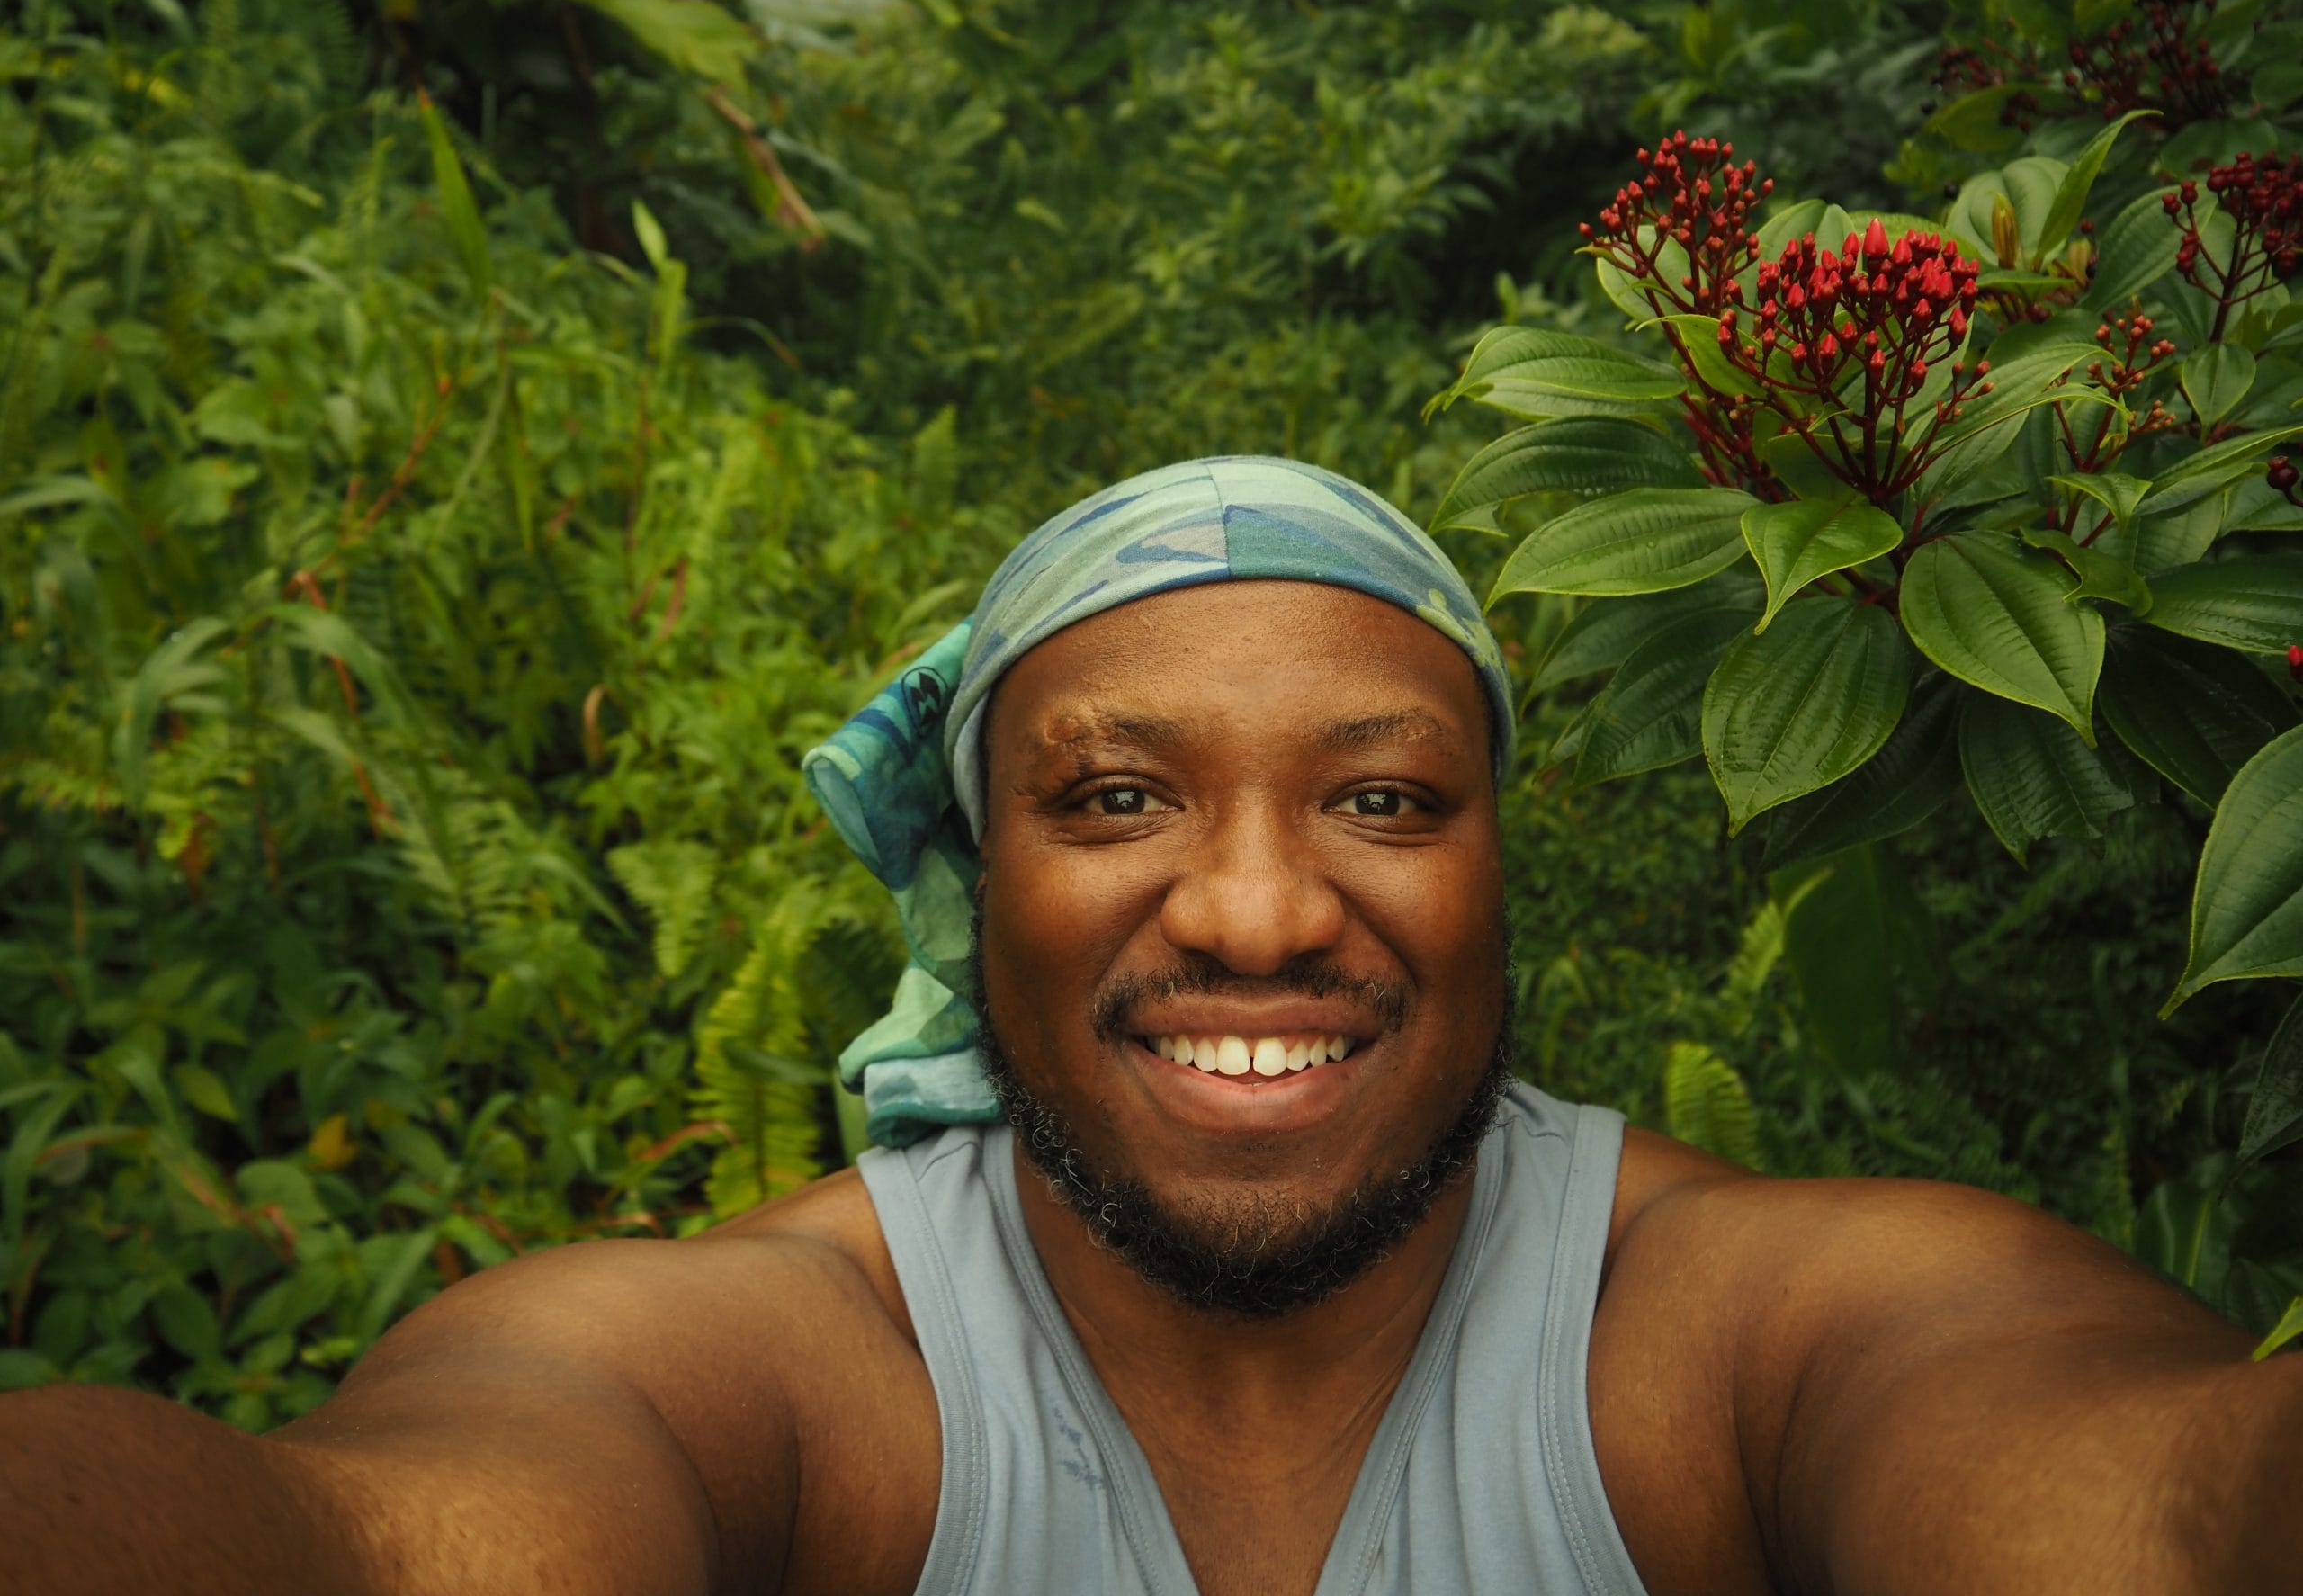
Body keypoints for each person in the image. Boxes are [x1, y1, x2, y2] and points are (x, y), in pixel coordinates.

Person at [3, 455, 2296, 1596]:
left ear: (1501, 868)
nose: (1262, 910)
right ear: (969, 887)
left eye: (1382, 798)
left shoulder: (1722, 1334)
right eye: (1113, 798)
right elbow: (376, 1545)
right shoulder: (813, 1373)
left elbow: (2164, 1513)